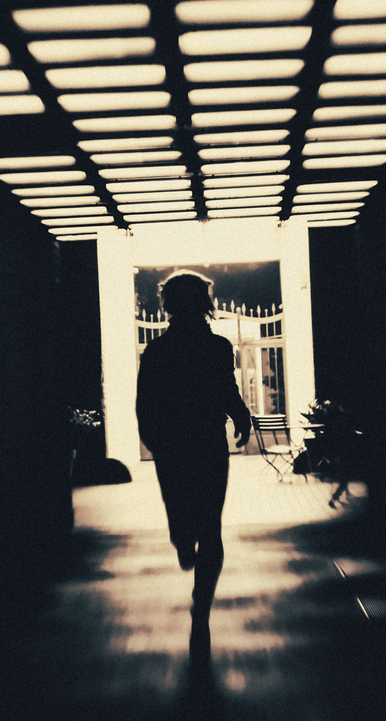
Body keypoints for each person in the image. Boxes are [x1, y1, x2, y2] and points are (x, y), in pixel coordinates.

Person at [136, 273, 252, 663]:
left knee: (183, 518)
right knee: (210, 527)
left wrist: (155, 441)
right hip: (208, 445)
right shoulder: (217, 347)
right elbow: (226, 389)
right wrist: (240, 416)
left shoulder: (157, 351)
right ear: (207, 303)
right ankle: (201, 605)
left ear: (166, 305)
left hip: (173, 449)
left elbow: (145, 403)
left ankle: (185, 547)